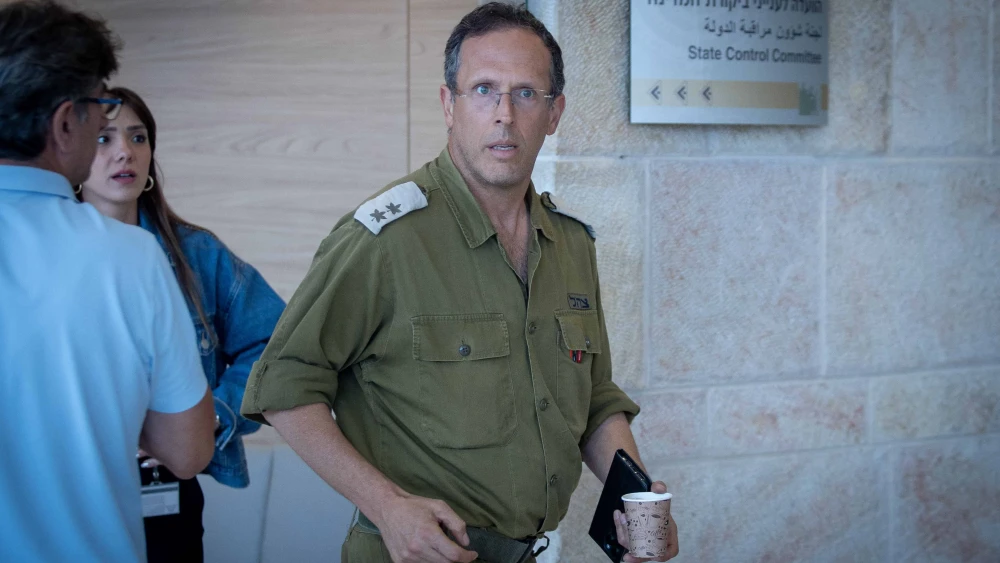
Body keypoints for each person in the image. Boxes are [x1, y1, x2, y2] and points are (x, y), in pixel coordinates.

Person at [241, 3, 678, 563]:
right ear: (449, 105)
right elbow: (284, 387)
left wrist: (635, 502)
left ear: (555, 113)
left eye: (526, 94)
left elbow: (593, 399)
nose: (504, 114)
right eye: (483, 90)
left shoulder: (571, 245)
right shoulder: (385, 240)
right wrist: (388, 506)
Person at [0, 2, 216, 562]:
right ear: (65, 121)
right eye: (102, 107)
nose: (112, 132)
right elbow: (188, 451)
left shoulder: (189, 250)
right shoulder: (131, 259)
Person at [76, 86, 286, 562]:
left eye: (138, 137)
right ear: (74, 149)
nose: (125, 151)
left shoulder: (195, 253)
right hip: (75, 487)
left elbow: (278, 346)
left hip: (167, 488)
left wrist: (209, 417)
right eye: (105, 139)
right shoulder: (49, 257)